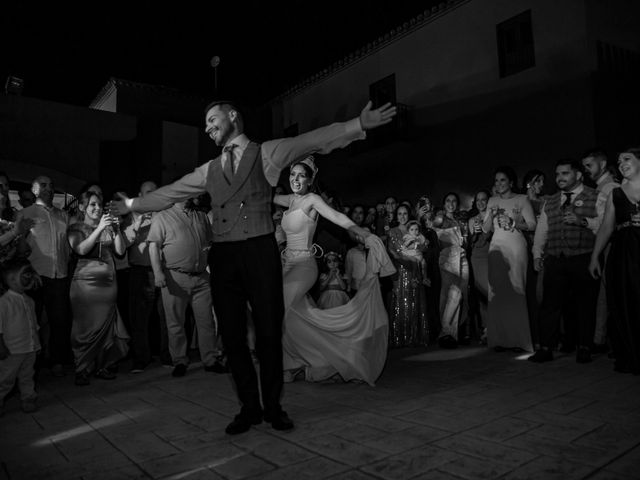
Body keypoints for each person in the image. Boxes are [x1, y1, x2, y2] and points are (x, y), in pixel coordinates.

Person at [109, 99, 396, 435]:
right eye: (205, 123)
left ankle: (273, 407)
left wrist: (357, 125)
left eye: (212, 119)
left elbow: (312, 140)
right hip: (224, 256)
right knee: (232, 337)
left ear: (233, 117)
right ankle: (249, 407)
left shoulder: (267, 153)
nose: (207, 127)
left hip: (260, 252)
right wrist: (132, 203)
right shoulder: (209, 169)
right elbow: (170, 193)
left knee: (269, 333)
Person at [275, 157, 394, 385]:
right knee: (290, 316)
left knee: (279, 306)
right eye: (292, 175)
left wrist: (363, 232)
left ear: (310, 180)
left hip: (304, 265)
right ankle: (296, 363)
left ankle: (308, 360)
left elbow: (338, 217)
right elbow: (262, 194)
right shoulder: (289, 200)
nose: (296, 179)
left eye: (301, 175)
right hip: (286, 266)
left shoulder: (313, 199)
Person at [529, 160, 600, 364]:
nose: (560, 177)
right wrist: (537, 254)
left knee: (584, 304)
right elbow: (543, 230)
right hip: (555, 258)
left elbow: (605, 224)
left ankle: (584, 346)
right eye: (558, 173)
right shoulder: (550, 200)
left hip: (583, 256)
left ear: (578, 175)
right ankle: (545, 348)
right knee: (550, 305)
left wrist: (584, 222)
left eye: (565, 173)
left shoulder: (595, 196)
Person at [147, 197, 223, 378]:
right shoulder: (162, 217)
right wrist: (158, 273)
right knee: (175, 323)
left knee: (206, 322)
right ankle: (179, 360)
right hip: (175, 276)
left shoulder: (202, 216)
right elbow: (153, 246)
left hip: (201, 277)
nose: (197, 194)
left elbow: (211, 243)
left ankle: (210, 360)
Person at [67, 191, 129, 385]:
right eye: (92, 204)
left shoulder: (108, 227)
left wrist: (116, 229)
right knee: (85, 327)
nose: (97, 208)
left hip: (108, 284)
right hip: (85, 285)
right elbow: (81, 249)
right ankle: (82, 368)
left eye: (99, 204)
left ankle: (102, 366)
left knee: (106, 327)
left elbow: (120, 251)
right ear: (82, 207)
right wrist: (99, 228)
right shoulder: (75, 227)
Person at [589, 147, 640, 374]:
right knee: (625, 301)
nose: (621, 164)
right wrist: (594, 257)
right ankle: (631, 355)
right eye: (619, 162)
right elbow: (606, 228)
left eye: (627, 159)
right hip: (623, 251)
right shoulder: (615, 194)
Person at [16, 176, 72, 378]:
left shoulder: (63, 215)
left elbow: (69, 246)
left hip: (60, 275)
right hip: (36, 277)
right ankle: (33, 365)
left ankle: (57, 360)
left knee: (59, 321)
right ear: (34, 189)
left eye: (51, 185)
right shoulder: (25, 214)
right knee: (33, 323)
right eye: (44, 185)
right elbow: (19, 250)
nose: (49, 188)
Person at [483, 167, 536, 353]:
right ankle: (500, 339)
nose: (499, 184)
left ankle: (518, 340)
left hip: (516, 247)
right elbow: (485, 229)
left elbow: (532, 225)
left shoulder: (521, 199)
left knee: (515, 290)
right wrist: (490, 213)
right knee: (497, 292)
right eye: (496, 181)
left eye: (503, 180)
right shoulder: (492, 200)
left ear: (511, 182)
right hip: (496, 247)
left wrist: (513, 222)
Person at [582, 149, 620, 354]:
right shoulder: (603, 187)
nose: (586, 170)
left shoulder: (610, 188)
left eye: (589, 165)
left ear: (602, 164)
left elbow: (607, 224)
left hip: (612, 245)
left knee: (611, 294)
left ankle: (610, 341)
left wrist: (583, 221)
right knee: (606, 295)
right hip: (607, 245)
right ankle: (602, 339)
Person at [0, 258, 41, 415]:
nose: (30, 278)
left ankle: (28, 398)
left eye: (30, 274)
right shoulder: (4, 302)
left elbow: (34, 325)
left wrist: (37, 345)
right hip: (12, 351)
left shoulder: (29, 300)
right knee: (5, 378)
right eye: (25, 275)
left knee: (27, 376)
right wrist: (1, 346)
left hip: (29, 349)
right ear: (11, 279)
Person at [386, 204, 429, 347]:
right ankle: (400, 337)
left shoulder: (415, 229)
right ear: (396, 216)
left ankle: (415, 336)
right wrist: (410, 259)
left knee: (415, 300)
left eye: (405, 213)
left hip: (415, 270)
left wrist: (420, 247)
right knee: (401, 301)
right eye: (399, 214)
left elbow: (424, 246)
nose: (402, 216)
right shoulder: (392, 232)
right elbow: (395, 252)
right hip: (401, 270)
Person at [433, 193, 469, 348]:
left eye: (454, 201)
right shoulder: (441, 218)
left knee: (460, 295)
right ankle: (446, 332)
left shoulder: (461, 221)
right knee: (451, 294)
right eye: (448, 200)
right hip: (448, 256)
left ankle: (452, 334)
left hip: (462, 256)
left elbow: (466, 243)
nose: (451, 203)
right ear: (443, 203)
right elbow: (434, 224)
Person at [467, 190, 491, 343]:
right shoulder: (472, 220)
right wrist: (474, 233)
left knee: (495, 292)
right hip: (478, 257)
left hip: (493, 255)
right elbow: (470, 243)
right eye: (478, 200)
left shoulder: (493, 216)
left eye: (484, 200)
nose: (481, 203)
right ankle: (486, 329)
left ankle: (499, 326)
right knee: (483, 294)